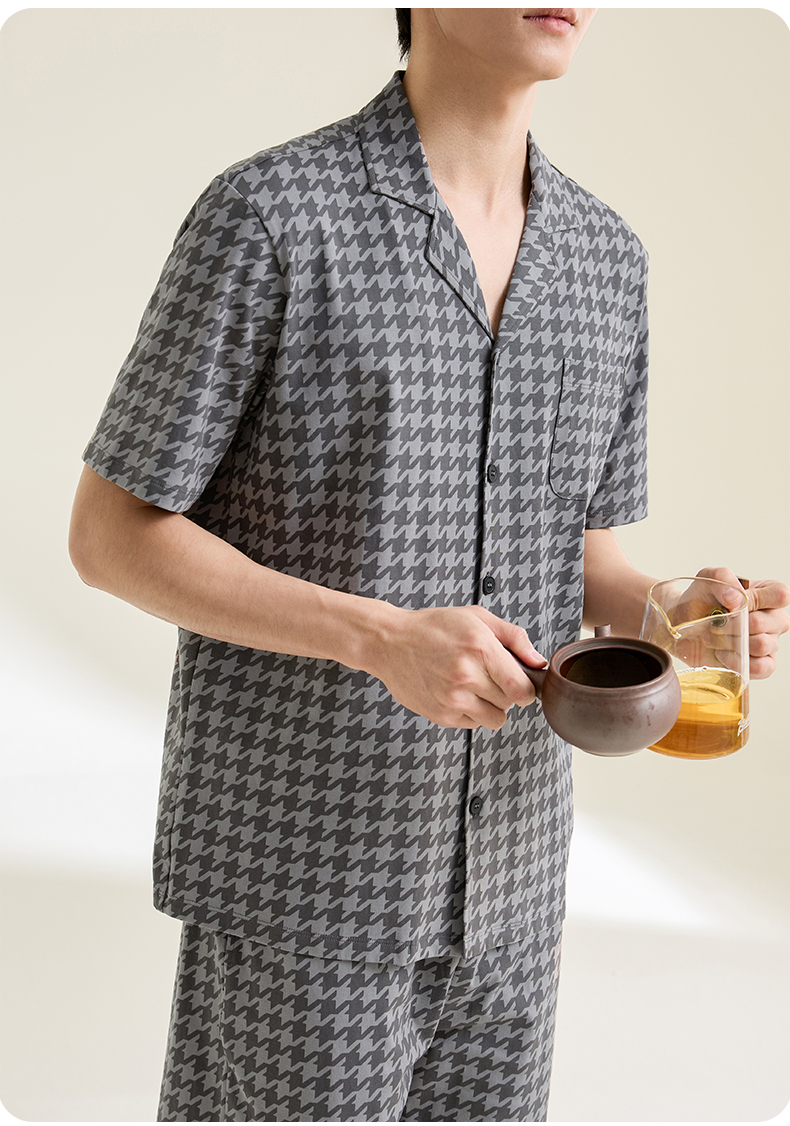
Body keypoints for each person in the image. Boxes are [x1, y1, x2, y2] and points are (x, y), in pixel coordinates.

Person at [68, 8, 790, 1122]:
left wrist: (669, 604)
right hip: (305, 877)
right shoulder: (270, 216)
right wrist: (378, 637)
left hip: (515, 881)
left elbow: (578, 548)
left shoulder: (607, 260)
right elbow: (110, 534)